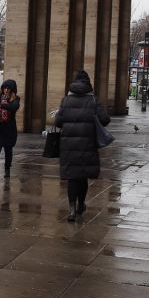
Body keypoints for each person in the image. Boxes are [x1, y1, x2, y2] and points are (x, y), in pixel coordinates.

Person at [55, 70, 111, 222]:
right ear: (88, 83)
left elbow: (58, 122)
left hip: (69, 145)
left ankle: (72, 209)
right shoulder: (93, 100)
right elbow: (105, 119)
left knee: (72, 177)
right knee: (83, 176)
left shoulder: (66, 100)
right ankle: (81, 204)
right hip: (87, 144)